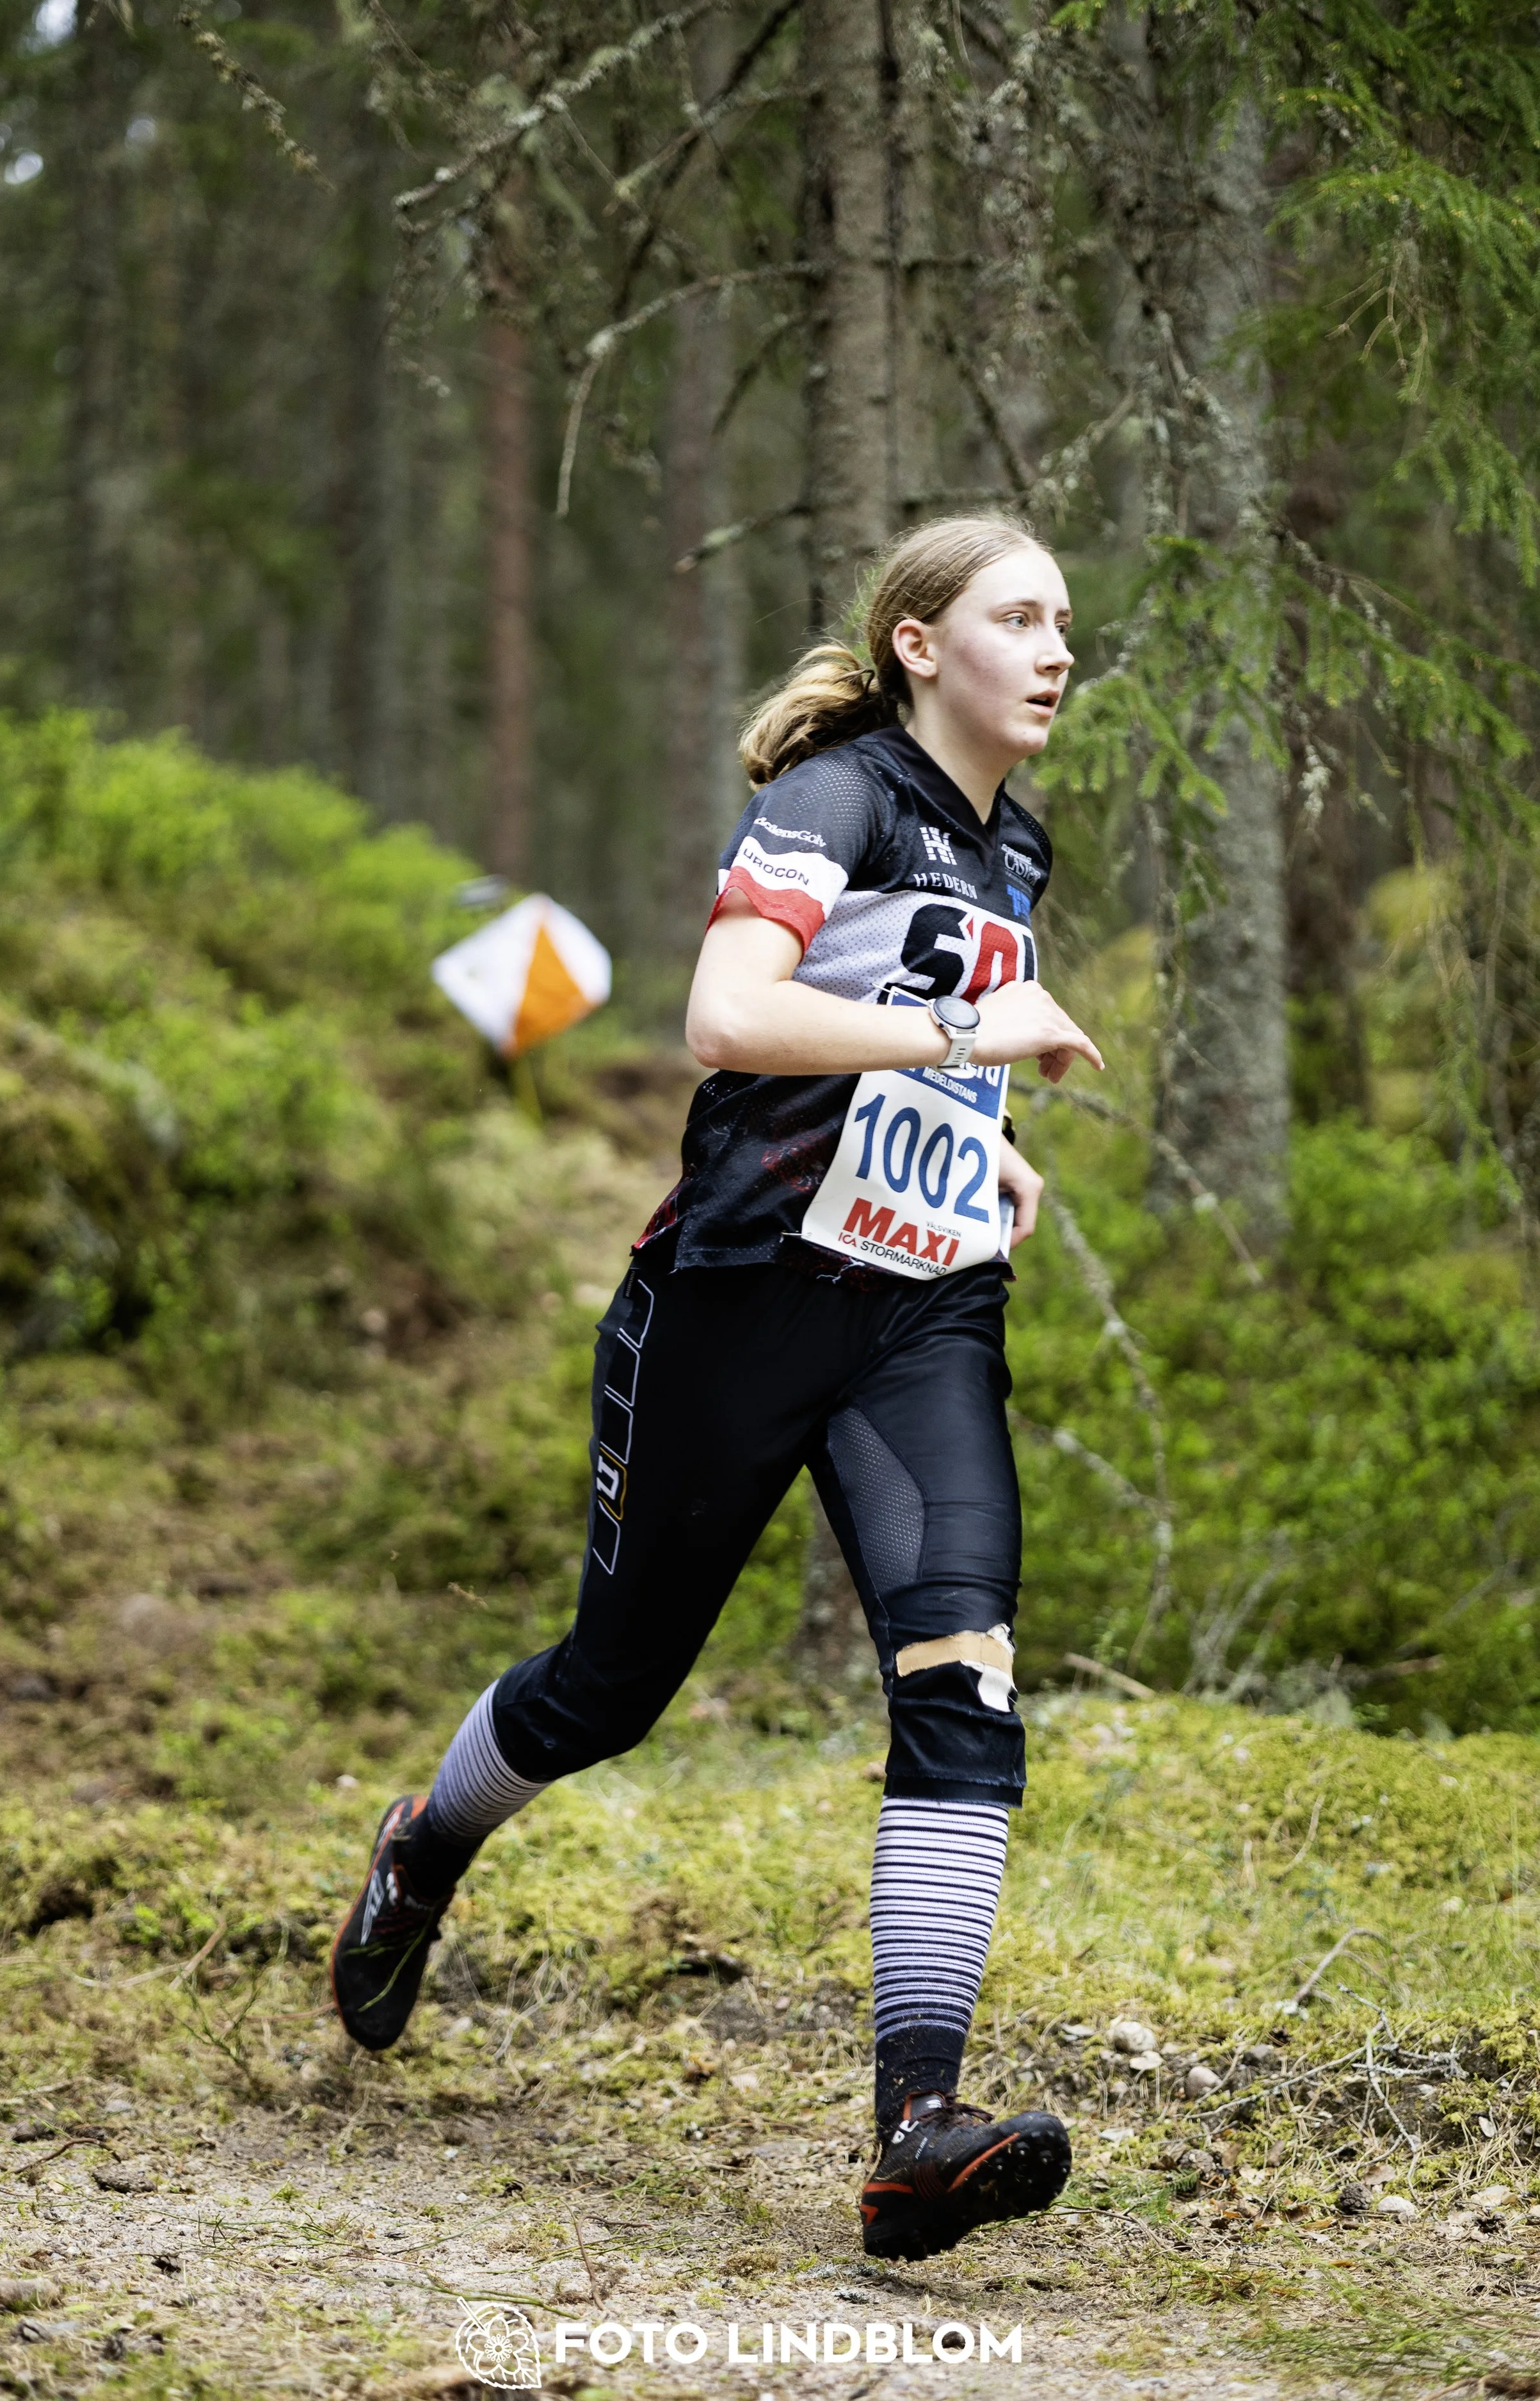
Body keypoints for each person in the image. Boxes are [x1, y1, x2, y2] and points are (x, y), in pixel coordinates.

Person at [330, 513, 1105, 2263]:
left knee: (961, 1668)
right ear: (921, 643)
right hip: (737, 1303)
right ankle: (423, 1843)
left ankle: (916, 2129)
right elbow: (729, 1017)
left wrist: (989, 1154)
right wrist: (975, 1044)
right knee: (612, 1688)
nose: (1056, 647)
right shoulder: (835, 799)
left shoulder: (1019, 845)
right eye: (1016, 616)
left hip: (921, 1318)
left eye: (1066, 619)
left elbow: (907, 1054)